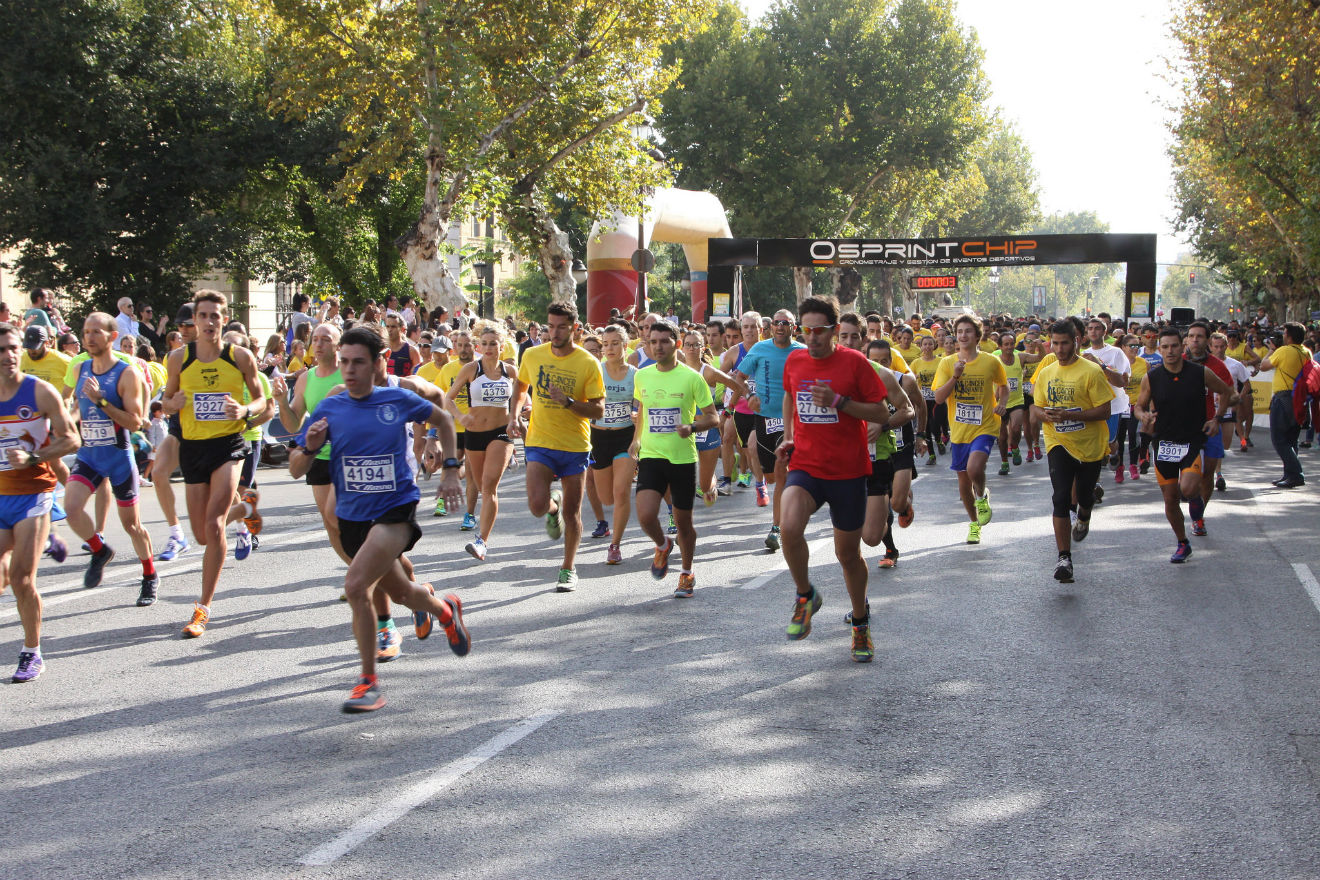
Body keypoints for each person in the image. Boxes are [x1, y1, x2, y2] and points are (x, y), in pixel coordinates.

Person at [289, 325, 469, 713]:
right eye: (344, 363)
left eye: (358, 363)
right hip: (353, 518)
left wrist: (451, 468)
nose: (349, 371)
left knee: (356, 586)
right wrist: (310, 447)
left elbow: (445, 419)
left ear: (376, 364)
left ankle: (368, 682)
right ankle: (445, 610)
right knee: (404, 594)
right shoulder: (331, 407)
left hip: (395, 511)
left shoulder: (398, 399)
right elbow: (294, 467)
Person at [776, 298, 889, 662]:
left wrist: (840, 402)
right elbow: (790, 396)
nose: (811, 337)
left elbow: (881, 411)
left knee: (847, 555)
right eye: (805, 330)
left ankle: (860, 622)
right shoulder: (794, 360)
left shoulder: (854, 363)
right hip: (807, 464)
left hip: (848, 471)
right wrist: (789, 435)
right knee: (788, 527)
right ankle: (806, 595)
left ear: (834, 330)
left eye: (819, 330)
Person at [161, 290, 266, 638]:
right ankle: (246, 507)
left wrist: (245, 410)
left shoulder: (240, 357)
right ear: (195, 321)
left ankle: (202, 608)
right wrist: (172, 403)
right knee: (203, 535)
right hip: (193, 447)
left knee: (215, 523)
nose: (209, 322)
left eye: (215, 316)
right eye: (202, 316)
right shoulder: (178, 359)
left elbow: (262, 399)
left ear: (223, 318)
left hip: (228, 445)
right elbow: (167, 401)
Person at [0, 321, 79, 682]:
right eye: (2, 350)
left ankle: (32, 651)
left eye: (13, 348)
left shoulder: (40, 392)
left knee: (21, 578)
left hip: (33, 493)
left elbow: (71, 440)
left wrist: (33, 457)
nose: (10, 355)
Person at [509, 301, 605, 591]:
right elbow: (521, 386)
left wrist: (570, 403)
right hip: (539, 440)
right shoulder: (533, 354)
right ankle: (552, 508)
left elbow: (598, 410)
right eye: (551, 326)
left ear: (574, 328)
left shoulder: (588, 362)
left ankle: (568, 568)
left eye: (561, 326)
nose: (555, 332)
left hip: (575, 445)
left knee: (573, 513)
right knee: (537, 506)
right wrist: (513, 415)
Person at [65, 313, 158, 603]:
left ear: (111, 336)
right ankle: (99, 549)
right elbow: (77, 410)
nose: (89, 337)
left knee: (132, 525)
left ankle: (149, 575)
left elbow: (134, 422)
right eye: (86, 332)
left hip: (118, 457)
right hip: (90, 455)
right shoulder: (81, 370)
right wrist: (66, 421)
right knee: (71, 507)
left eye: (96, 332)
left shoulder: (125, 373)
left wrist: (101, 401)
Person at [630, 322, 717, 597]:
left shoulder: (692, 378)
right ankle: (662, 545)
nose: (658, 346)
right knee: (645, 515)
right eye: (653, 341)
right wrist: (636, 438)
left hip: (682, 459)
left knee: (684, 524)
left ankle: (687, 572)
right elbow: (643, 409)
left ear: (676, 344)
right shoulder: (642, 376)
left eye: (664, 341)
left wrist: (691, 427)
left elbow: (713, 417)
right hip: (652, 455)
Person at [1133, 327, 1235, 563]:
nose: (1170, 351)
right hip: (1164, 442)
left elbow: (1226, 392)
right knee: (1170, 498)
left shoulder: (1201, 373)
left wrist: (1216, 418)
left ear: (1183, 347)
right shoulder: (1152, 377)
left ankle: (1197, 502)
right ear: (1160, 350)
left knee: (1188, 490)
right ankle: (1182, 543)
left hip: (1191, 441)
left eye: (1174, 346)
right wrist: (1143, 416)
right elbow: (1139, 406)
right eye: (1165, 347)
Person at [1030, 321, 1115, 583]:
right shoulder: (1046, 372)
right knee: (1060, 497)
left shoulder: (1091, 371)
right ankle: (1064, 558)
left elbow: (1105, 411)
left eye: (1064, 343)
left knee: (1085, 496)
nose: (1059, 349)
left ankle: (1085, 514)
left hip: (1089, 445)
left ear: (1076, 341)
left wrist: (1068, 414)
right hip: (1059, 442)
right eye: (1054, 343)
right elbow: (1036, 408)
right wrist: (1046, 415)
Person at [727, 309, 807, 552]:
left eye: (786, 323)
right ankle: (782, 508)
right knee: (772, 476)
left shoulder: (802, 352)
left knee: (783, 473)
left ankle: (777, 528)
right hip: (763, 420)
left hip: (791, 420)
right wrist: (749, 395)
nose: (780, 326)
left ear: (794, 327)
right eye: (777, 323)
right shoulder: (759, 350)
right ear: (771, 327)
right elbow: (738, 378)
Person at [273, 323, 348, 564]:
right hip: (319, 457)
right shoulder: (306, 378)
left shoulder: (349, 372)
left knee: (343, 519)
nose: (318, 344)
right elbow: (294, 425)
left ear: (338, 344)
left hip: (348, 456)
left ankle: (366, 573)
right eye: (315, 339)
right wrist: (282, 402)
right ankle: (358, 572)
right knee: (330, 524)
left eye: (325, 339)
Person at [442, 322, 516, 561]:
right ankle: (479, 530)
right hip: (474, 433)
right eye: (484, 344)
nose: (488, 348)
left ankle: (482, 542)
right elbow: (448, 399)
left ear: (501, 346)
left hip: (501, 433)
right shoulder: (472, 369)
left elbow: (526, 396)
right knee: (481, 484)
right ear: (478, 346)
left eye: (493, 344)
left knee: (489, 484)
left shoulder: (511, 372)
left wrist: (521, 414)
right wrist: (461, 416)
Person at [933, 315, 1008, 545]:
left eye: (968, 331)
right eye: (960, 331)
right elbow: (938, 397)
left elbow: (1003, 387)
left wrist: (1003, 402)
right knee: (964, 484)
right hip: (959, 430)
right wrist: (955, 376)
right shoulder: (947, 363)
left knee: (975, 468)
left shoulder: (990, 362)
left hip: (985, 425)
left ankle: (982, 496)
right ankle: (974, 524)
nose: (963, 335)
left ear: (977, 335)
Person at [589, 325, 636, 564]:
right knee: (606, 497)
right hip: (598, 439)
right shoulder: (595, 371)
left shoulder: (635, 375)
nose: (609, 348)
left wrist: (637, 439)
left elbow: (642, 410)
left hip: (625, 437)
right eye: (605, 344)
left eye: (615, 343)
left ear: (625, 346)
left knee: (621, 492)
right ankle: (613, 534)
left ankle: (615, 545)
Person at [1257, 322, 1311, 488]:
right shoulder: (1306, 351)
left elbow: (1263, 366)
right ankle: (1290, 475)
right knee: (1291, 439)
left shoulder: (1283, 351)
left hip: (1284, 397)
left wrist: (1272, 349)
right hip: (1300, 398)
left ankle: (1296, 474)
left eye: (1284, 333)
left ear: (1289, 336)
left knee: (1279, 439)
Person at [1208, 331, 1252, 492]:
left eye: (1222, 346)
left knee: (1224, 444)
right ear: (1210, 347)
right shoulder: (1204, 364)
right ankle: (1218, 474)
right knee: (1213, 441)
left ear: (1227, 346)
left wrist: (1237, 398)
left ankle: (1215, 469)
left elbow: (1246, 384)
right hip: (1208, 409)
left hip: (1227, 409)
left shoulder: (1235, 364)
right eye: (1216, 347)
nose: (1219, 350)